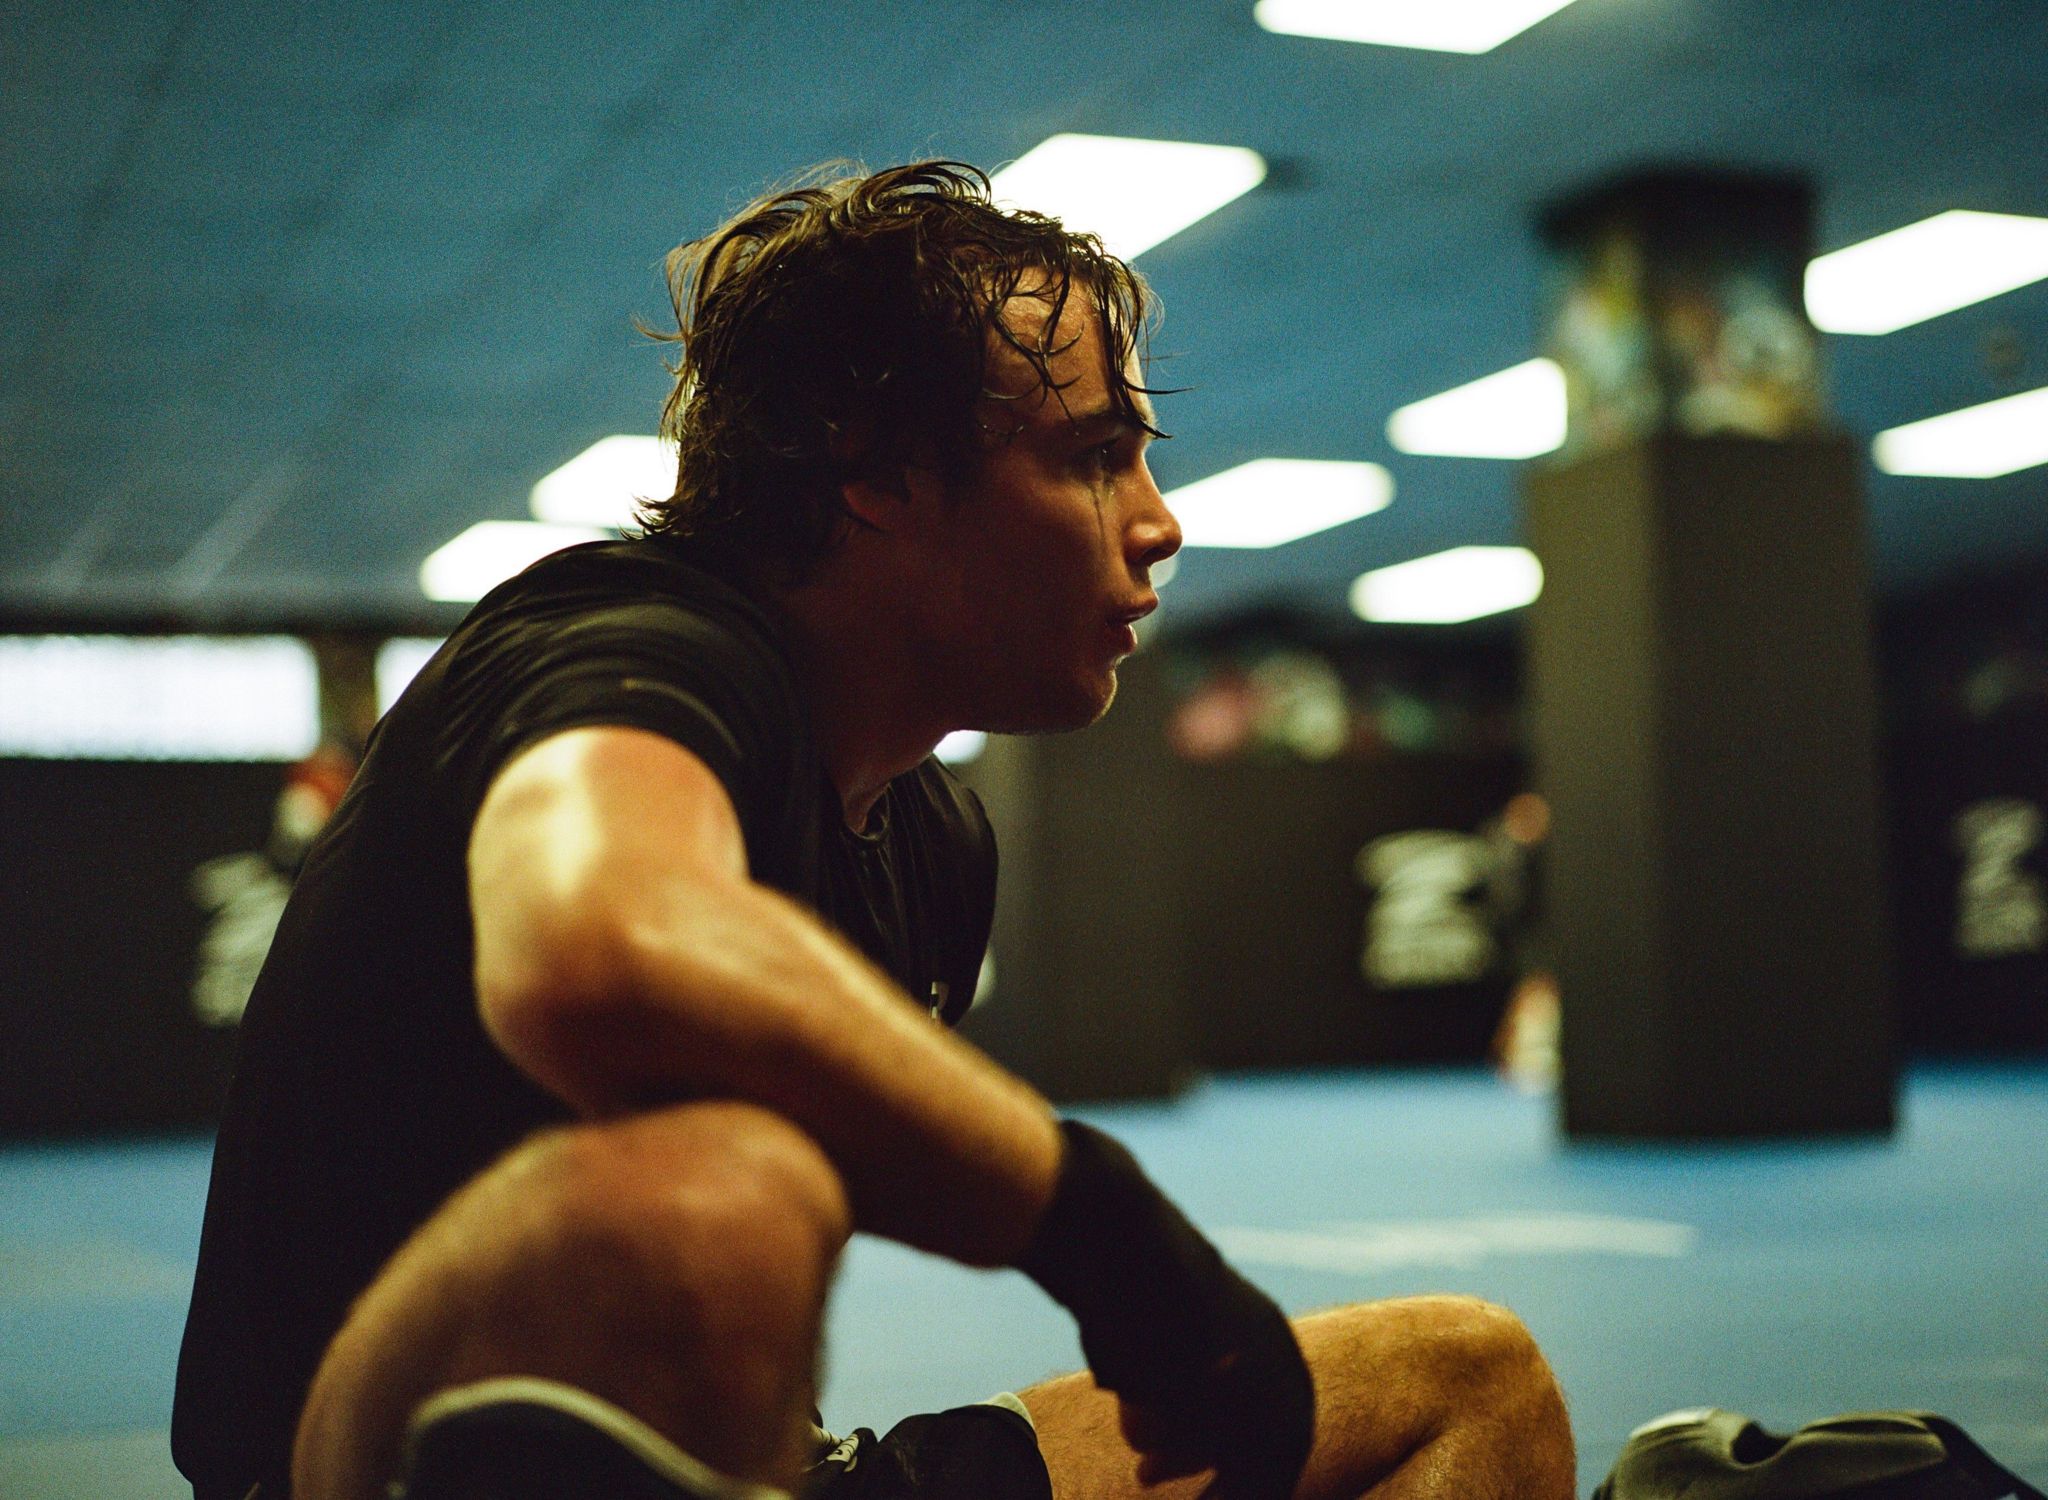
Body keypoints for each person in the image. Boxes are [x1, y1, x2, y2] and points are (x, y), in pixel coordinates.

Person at [171, 160, 1575, 1500]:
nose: (1160, 525)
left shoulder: (930, 847)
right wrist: (1099, 1225)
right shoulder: (633, 644)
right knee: (716, 1203)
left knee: (1472, 1381)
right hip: (353, 1467)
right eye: (1094, 459)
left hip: (771, 1473)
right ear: (878, 470)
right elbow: (595, 954)